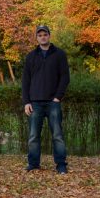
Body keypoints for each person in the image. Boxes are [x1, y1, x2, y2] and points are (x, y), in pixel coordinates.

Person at [21, 24, 70, 173]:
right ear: (37, 38)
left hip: (53, 102)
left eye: (45, 34)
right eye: (40, 35)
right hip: (35, 103)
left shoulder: (59, 54)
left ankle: (61, 165)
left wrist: (58, 97)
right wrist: (26, 102)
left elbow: (65, 77)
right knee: (34, 135)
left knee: (57, 135)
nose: (43, 37)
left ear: (49, 36)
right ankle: (34, 163)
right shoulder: (31, 56)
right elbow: (25, 81)